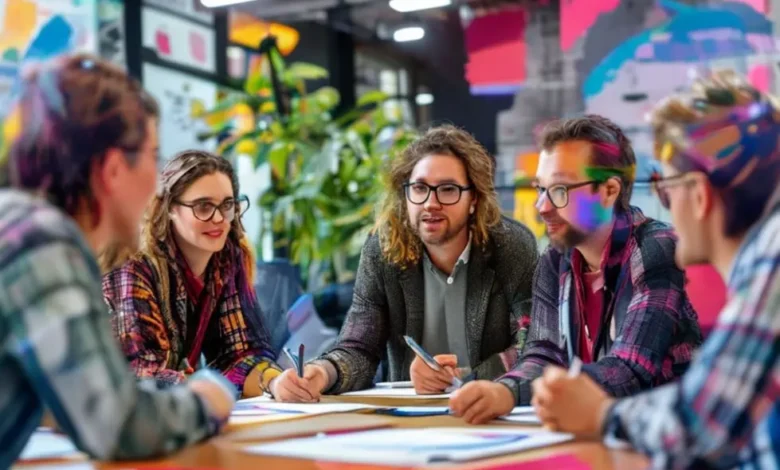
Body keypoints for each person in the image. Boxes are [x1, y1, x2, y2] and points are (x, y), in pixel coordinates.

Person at [531, 71, 780, 468]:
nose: (665, 206)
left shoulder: (773, 255)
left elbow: (700, 423)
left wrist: (600, 415)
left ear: (698, 196)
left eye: (667, 190)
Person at [0, 54, 235, 468]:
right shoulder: (40, 242)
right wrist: (208, 401)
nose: (157, 182)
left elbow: (82, 403)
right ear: (111, 169)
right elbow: (116, 424)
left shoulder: (19, 227)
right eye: (152, 155)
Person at [449, 114, 702, 424]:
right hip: (592, 433)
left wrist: (519, 391)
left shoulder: (656, 248)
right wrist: (505, 391)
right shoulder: (555, 261)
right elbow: (543, 354)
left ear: (609, 191)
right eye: (540, 188)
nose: (542, 206)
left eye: (560, 190)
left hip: (663, 439)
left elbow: (630, 367)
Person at [272, 124, 539, 401]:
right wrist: (323, 372)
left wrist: (467, 377)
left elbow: (532, 344)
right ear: (405, 195)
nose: (430, 203)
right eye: (420, 188)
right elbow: (358, 347)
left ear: (474, 199)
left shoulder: (512, 247)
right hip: (408, 416)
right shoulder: (384, 251)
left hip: (492, 409)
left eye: (447, 189)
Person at [103, 150, 289, 399]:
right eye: (203, 206)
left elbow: (236, 356)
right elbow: (141, 375)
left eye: (227, 205)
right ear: (169, 208)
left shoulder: (225, 259)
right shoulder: (132, 267)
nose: (220, 218)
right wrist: (205, 389)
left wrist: (276, 383)